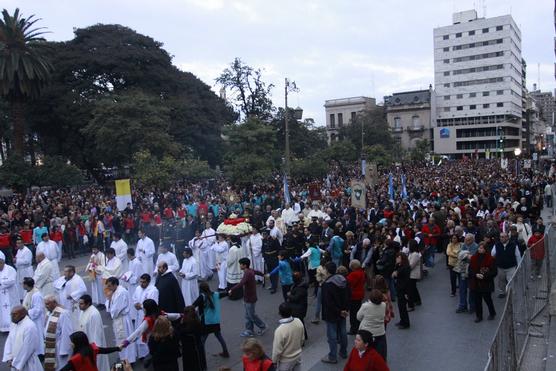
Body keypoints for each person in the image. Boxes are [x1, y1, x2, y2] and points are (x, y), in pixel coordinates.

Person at [229, 257, 267, 337]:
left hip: (250, 298)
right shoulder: (250, 271)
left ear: (245, 265)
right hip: (248, 297)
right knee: (247, 315)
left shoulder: (247, 273)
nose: (240, 266)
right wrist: (263, 275)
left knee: (251, 315)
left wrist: (231, 289)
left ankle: (262, 326)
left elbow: (241, 283)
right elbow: (257, 272)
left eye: (241, 264)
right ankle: (249, 330)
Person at [321, 262, 349, 364]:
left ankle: (332, 356)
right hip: (343, 311)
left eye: (324, 269)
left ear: (327, 270)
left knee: (332, 335)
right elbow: (348, 295)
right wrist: (345, 310)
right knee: (342, 332)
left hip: (332, 313)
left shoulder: (327, 284)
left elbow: (328, 302)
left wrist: (339, 311)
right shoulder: (343, 280)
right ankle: (343, 352)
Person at [193, 281, 230, 358]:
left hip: (206, 322)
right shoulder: (215, 294)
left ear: (201, 289)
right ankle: (225, 352)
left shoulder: (202, 297)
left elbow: (193, 305)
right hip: (215, 320)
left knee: (202, 340)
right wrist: (228, 292)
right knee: (219, 336)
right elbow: (224, 294)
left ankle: (201, 356)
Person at [105, 277, 137, 363]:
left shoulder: (121, 292)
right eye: (107, 286)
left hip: (122, 320)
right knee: (119, 339)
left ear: (115, 284)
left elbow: (115, 311)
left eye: (110, 286)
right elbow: (109, 308)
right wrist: (109, 298)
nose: (108, 288)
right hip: (118, 320)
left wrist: (110, 298)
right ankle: (123, 357)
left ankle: (129, 359)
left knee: (125, 339)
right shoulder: (114, 291)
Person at [2, 306, 43, 371]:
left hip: (27, 362)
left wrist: (16, 363)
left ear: (22, 314)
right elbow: (9, 341)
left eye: (15, 314)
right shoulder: (14, 324)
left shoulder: (30, 326)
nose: (12, 317)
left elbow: (28, 348)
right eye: (11, 314)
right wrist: (9, 357)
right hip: (14, 360)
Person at [77, 295, 110, 371]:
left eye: (81, 304)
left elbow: (97, 332)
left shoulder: (94, 314)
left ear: (88, 303)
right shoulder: (82, 311)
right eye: (79, 303)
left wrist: (95, 349)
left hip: (93, 347)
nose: (79, 306)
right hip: (86, 346)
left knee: (98, 366)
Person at [131, 276, 159, 357]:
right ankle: (141, 355)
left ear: (148, 282)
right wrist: (136, 304)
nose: (141, 284)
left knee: (147, 334)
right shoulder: (138, 288)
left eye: (144, 282)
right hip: (139, 315)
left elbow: (154, 304)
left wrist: (142, 306)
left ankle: (148, 354)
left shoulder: (153, 290)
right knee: (139, 334)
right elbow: (134, 298)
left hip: (148, 316)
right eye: (141, 281)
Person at [44, 295, 74, 370]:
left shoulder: (63, 313)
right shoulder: (48, 313)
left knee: (62, 367)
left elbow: (67, 332)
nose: (46, 306)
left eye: (48, 304)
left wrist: (64, 350)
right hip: (51, 345)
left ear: (54, 303)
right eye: (45, 304)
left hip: (60, 347)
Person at [271, 303, 304, 371]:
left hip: (285, 362)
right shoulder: (298, 321)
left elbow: (277, 350)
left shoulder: (280, 330)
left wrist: (274, 361)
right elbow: (302, 339)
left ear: (280, 313)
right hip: (297, 356)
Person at [469, 243, 497, 323]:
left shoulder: (490, 259)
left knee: (488, 299)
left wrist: (485, 276)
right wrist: (476, 275)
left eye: (482, 248)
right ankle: (479, 316)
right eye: (479, 248)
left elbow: (494, 272)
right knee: (477, 301)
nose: (480, 250)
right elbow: (470, 270)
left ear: (485, 249)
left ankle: (492, 313)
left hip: (486, 283)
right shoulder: (474, 258)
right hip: (476, 283)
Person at [357, 289, 387, 361]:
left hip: (367, 332)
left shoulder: (365, 306)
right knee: (380, 352)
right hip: (380, 332)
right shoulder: (384, 305)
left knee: (366, 351)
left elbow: (358, 317)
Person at [54, 265, 87, 329]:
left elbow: (83, 289)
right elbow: (55, 284)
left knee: (74, 321)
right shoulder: (63, 278)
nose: (64, 273)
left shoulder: (77, 279)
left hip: (73, 304)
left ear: (71, 272)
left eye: (66, 272)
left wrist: (72, 295)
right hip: (64, 304)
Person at [491, 232, 520, 298]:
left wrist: (519, 265)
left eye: (504, 237)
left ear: (507, 237)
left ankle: (511, 293)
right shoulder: (496, 245)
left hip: (511, 267)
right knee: (501, 280)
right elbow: (492, 254)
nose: (503, 238)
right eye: (501, 237)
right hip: (500, 267)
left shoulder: (513, 245)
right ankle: (502, 292)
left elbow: (517, 256)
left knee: (511, 280)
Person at [22, 277, 46, 359]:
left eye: (23, 283)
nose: (22, 285)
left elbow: (38, 309)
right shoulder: (28, 292)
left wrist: (26, 312)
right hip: (30, 319)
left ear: (26, 285)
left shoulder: (36, 294)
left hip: (37, 320)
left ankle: (40, 353)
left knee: (38, 335)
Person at [178, 306, 207, 371]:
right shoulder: (197, 322)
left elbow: (179, 333)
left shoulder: (186, 328)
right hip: (197, 349)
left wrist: (181, 324)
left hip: (190, 352)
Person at [0, 251, 18, 333]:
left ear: (3, 261)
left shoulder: (10, 269)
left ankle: (13, 325)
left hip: (10, 294)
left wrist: (2, 283)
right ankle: (3, 327)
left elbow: (12, 280)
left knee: (11, 309)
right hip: (1, 295)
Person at [286, 272, 308, 340]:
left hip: (299, 308)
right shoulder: (298, 285)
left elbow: (296, 298)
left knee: (299, 324)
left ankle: (302, 338)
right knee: (300, 323)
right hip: (297, 307)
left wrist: (289, 295)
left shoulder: (301, 288)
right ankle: (304, 336)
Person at [346, 259, 366, 335]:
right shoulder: (361, 272)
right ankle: (357, 326)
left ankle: (354, 328)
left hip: (354, 295)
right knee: (357, 311)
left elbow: (349, 283)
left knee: (353, 313)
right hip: (360, 293)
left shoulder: (354, 274)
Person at [392, 253, 411, 329]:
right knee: (400, 306)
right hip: (400, 288)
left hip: (403, 289)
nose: (397, 259)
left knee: (402, 306)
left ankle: (405, 322)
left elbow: (395, 274)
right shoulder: (400, 266)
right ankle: (402, 320)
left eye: (398, 258)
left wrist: (406, 292)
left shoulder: (405, 267)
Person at [14, 236, 34, 301]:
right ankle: (22, 298)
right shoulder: (18, 251)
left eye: (19, 243)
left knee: (27, 284)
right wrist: (15, 262)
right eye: (17, 243)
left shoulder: (27, 251)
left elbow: (27, 261)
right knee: (20, 285)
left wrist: (17, 260)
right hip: (20, 270)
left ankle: (28, 297)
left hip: (26, 270)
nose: (18, 245)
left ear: (23, 243)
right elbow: (17, 259)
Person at [311, 257, 330, 324]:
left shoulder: (319, 268)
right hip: (328, 286)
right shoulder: (328, 268)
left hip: (321, 286)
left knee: (318, 303)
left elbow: (318, 279)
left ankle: (317, 318)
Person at [407, 240, 422, 310]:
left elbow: (411, 265)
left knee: (410, 290)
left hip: (413, 274)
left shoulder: (415, 254)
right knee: (413, 288)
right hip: (412, 274)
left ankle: (411, 305)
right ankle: (417, 300)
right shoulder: (412, 253)